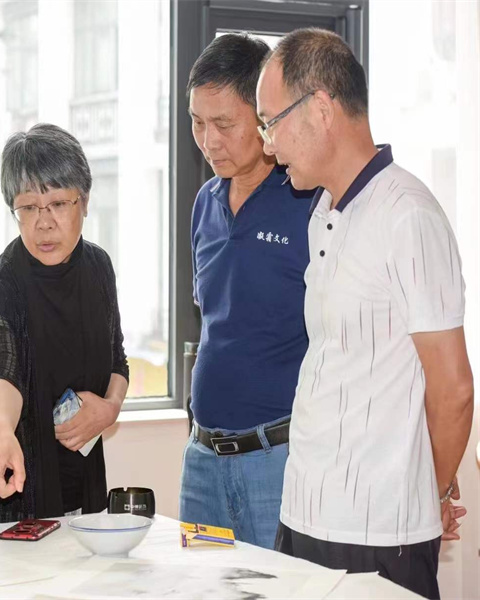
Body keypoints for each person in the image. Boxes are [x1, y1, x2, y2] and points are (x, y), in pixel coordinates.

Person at [256, 28, 473, 598]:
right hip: (303, 513)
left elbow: (453, 389)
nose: (268, 146)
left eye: (270, 122)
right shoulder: (322, 210)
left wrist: (430, 492)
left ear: (321, 108)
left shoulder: (408, 215)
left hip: (378, 533)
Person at [0, 123, 129, 526]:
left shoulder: (99, 268)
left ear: (84, 201)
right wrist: (3, 434)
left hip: (80, 481)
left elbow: (117, 360)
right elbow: (2, 372)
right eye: (28, 208)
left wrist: (110, 408)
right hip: (10, 486)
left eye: (58, 204)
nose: (43, 223)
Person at [179, 33, 314, 549]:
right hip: (201, 463)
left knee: (277, 585)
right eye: (197, 122)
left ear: (263, 117)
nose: (208, 141)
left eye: (224, 124)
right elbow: (216, 324)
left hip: (276, 461)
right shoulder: (205, 203)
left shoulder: (307, 200)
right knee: (201, 584)